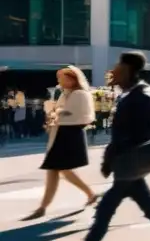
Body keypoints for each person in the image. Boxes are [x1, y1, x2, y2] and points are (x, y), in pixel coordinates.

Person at [42, 51, 150, 241]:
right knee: (149, 209)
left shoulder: (143, 95)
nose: (114, 70)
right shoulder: (130, 94)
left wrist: (112, 156)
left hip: (130, 162)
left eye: (119, 66)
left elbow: (135, 132)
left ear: (129, 70)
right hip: (128, 164)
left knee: (106, 209)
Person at [22, 66, 98, 220]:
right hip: (62, 134)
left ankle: (89, 194)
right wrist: (52, 115)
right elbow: (60, 112)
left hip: (70, 135)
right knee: (54, 170)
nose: (59, 81)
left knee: (62, 170)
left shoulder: (79, 94)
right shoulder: (66, 94)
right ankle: (43, 207)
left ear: (71, 79)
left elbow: (79, 116)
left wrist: (56, 114)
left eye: (61, 77)